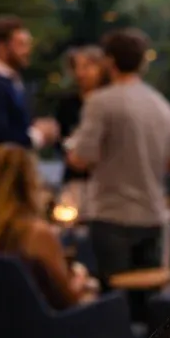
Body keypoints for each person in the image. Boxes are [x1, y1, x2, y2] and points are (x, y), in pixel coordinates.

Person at [67, 28, 170, 285]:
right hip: (152, 215)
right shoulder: (162, 105)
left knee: (113, 296)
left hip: (111, 215)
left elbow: (82, 158)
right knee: (148, 294)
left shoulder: (101, 102)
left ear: (109, 61)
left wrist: (70, 149)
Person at [0, 144, 93, 309]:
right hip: (37, 322)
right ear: (30, 183)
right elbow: (68, 300)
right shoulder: (36, 233)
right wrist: (81, 278)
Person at [0, 15, 59, 159]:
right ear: (1, 47)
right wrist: (38, 135)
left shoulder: (9, 81)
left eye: (28, 44)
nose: (27, 51)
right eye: (21, 44)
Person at [54, 46, 107, 214]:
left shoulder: (110, 103)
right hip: (75, 180)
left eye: (88, 66)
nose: (81, 73)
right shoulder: (67, 104)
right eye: (78, 67)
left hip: (105, 182)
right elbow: (60, 138)